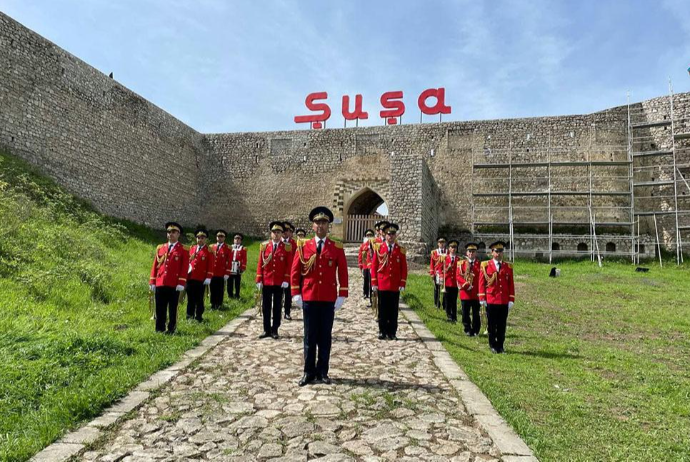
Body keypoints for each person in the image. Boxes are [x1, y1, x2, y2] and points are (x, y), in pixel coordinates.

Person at [291, 206, 348, 386]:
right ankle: (308, 372)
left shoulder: (336, 247)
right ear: (313, 226)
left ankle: (323, 371)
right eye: (317, 222)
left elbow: (343, 272)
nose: (320, 225)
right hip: (309, 297)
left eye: (324, 222)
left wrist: (342, 294)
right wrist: (295, 293)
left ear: (328, 225)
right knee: (309, 336)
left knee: (325, 337)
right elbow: (295, 271)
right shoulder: (303, 246)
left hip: (328, 298)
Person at [149, 222, 189, 334]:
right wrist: (152, 281)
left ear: (178, 234)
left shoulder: (183, 249)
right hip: (160, 282)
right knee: (160, 307)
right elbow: (155, 265)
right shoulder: (160, 248)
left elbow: (184, 267)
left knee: (172, 308)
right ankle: (159, 328)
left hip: (174, 283)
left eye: (173, 232)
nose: (170, 234)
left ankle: (171, 329)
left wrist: (181, 282)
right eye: (169, 232)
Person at [371, 223, 407, 340]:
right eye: (388, 234)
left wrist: (402, 283)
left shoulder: (400, 250)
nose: (390, 236)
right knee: (382, 309)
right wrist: (374, 282)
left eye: (392, 234)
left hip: (395, 285)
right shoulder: (379, 248)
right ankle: (382, 331)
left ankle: (392, 332)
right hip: (382, 283)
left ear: (395, 235)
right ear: (385, 235)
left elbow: (404, 268)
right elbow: (374, 266)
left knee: (393, 310)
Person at [478, 241, 515, 353]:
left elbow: (511, 284)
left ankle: (500, 345)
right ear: (492, 252)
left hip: (503, 300)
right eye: (496, 251)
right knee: (492, 324)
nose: (499, 253)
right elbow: (481, 282)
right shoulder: (485, 265)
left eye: (501, 251)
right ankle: (493, 345)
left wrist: (511, 299)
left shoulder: (508, 266)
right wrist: (482, 298)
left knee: (502, 325)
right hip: (491, 299)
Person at [256, 222, 291, 339]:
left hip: (279, 282)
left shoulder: (286, 247)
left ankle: (275, 329)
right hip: (267, 281)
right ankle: (266, 329)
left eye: (278, 232)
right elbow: (260, 263)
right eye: (274, 232)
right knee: (266, 306)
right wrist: (259, 279)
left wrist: (286, 279)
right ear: (271, 234)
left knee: (277, 306)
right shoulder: (265, 246)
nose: (276, 234)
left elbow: (288, 265)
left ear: (282, 234)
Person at [186, 227, 213, 322]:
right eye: (198, 237)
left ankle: (198, 316)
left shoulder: (209, 250)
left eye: (202, 238)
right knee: (190, 298)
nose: (200, 239)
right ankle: (189, 315)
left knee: (199, 298)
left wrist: (208, 277)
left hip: (201, 278)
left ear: (205, 239)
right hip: (190, 277)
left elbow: (210, 265)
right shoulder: (192, 248)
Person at [458, 243, 481, 336]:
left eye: (473, 251)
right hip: (465, 292)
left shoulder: (480, 264)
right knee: (465, 313)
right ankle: (467, 329)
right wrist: (466, 285)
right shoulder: (461, 264)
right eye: (469, 251)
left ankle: (475, 330)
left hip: (476, 293)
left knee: (476, 313)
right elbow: (458, 276)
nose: (471, 253)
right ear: (466, 253)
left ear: (476, 253)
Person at [209, 230, 231, 309]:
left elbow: (229, 261)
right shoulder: (211, 247)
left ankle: (219, 304)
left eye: (221, 236)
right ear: (216, 237)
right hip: (212, 272)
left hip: (221, 272)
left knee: (220, 289)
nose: (219, 238)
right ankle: (212, 304)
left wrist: (227, 272)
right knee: (212, 288)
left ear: (224, 238)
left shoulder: (227, 248)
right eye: (218, 236)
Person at [282, 221, 297, 319]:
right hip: (278, 272)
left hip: (289, 272)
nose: (285, 232)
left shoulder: (293, 244)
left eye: (287, 230)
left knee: (288, 294)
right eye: (283, 230)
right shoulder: (277, 242)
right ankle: (276, 312)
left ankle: (287, 312)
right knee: (277, 294)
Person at [443, 240, 460, 323]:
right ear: (449, 249)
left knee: (454, 300)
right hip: (447, 282)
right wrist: (447, 269)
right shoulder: (445, 258)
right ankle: (448, 315)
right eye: (451, 247)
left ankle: (454, 316)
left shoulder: (459, 259)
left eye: (455, 247)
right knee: (447, 300)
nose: (453, 249)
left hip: (455, 283)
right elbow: (441, 270)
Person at [429, 237, 447, 309]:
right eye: (440, 242)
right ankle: (437, 303)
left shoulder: (448, 252)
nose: (441, 244)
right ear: (438, 244)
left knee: (445, 290)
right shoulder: (434, 252)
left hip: (445, 273)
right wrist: (432, 273)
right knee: (436, 289)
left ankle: (445, 304)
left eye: (443, 242)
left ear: (445, 243)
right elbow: (432, 263)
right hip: (437, 273)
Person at [227, 233, 247, 299]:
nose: (237, 240)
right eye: (235, 238)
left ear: (241, 240)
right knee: (229, 281)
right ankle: (230, 294)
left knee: (237, 282)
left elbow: (244, 259)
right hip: (230, 266)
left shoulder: (243, 248)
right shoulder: (230, 247)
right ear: (233, 240)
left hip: (238, 267)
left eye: (239, 238)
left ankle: (237, 294)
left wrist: (243, 267)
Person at [358, 229, 375, 301]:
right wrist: (360, 265)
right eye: (368, 235)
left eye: (370, 235)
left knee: (372, 280)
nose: (369, 237)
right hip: (365, 265)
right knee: (366, 279)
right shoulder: (363, 246)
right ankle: (365, 293)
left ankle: (371, 293)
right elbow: (360, 256)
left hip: (372, 265)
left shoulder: (375, 245)